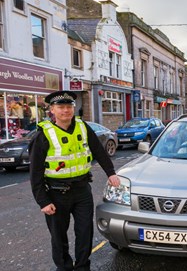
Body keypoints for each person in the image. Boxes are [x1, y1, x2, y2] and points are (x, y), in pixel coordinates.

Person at [29, 90, 121, 271]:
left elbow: (99, 151)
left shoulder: (82, 127)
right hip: (55, 193)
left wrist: (111, 172)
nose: (66, 111)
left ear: (74, 108)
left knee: (85, 232)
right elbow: (35, 172)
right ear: (52, 110)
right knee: (58, 236)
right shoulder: (43, 135)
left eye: (69, 106)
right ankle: (63, 267)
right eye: (61, 107)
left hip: (82, 190)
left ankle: (82, 267)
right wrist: (43, 201)